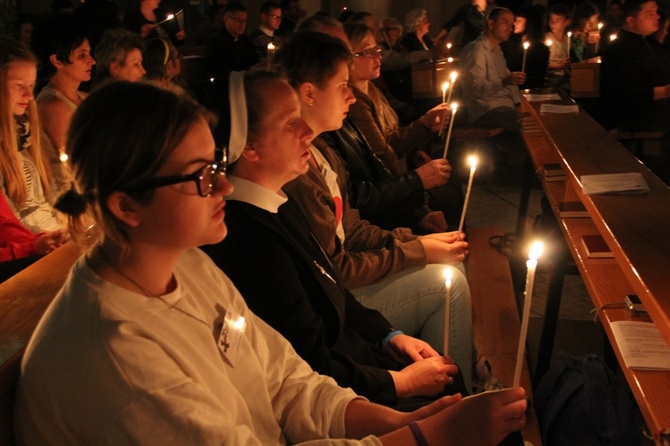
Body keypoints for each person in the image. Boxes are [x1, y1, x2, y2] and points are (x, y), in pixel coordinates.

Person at [13, 80, 528, 446]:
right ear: (126, 206)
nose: (221, 184)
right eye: (199, 176)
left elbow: (283, 379)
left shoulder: (187, 265)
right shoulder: (115, 355)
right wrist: (420, 436)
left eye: (215, 164)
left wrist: (388, 422)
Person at [206, 68, 469, 410]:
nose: (306, 132)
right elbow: (307, 363)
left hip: (354, 357)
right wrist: (399, 383)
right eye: (290, 123)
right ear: (249, 146)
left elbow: (328, 282)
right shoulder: (252, 242)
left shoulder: (277, 201)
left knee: (452, 380)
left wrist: (390, 336)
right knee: (457, 403)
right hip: (337, 393)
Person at [343, 23, 464, 234]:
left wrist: (416, 147)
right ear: (348, 59)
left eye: (377, 49)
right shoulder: (354, 102)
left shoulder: (371, 88)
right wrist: (423, 127)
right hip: (390, 190)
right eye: (367, 51)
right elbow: (382, 155)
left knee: (452, 183)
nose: (377, 56)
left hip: (399, 180)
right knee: (450, 194)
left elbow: (390, 135)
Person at [0, 37, 61, 234]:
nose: (28, 95)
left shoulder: (24, 130)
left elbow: (49, 194)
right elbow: (10, 225)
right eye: (19, 85)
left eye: (31, 85)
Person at [459, 7, 528, 180]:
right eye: (505, 22)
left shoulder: (497, 50)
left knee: (531, 117)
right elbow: (477, 90)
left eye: (512, 24)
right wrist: (505, 81)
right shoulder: (476, 50)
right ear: (490, 23)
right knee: (520, 123)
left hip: (502, 107)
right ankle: (519, 167)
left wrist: (519, 102)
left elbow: (508, 82)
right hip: (484, 110)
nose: (510, 27)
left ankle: (517, 164)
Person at [33, 16, 95, 193]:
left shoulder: (83, 97)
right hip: (73, 200)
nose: (92, 60)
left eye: (89, 53)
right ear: (57, 60)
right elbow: (78, 164)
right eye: (82, 55)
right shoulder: (53, 106)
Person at [601, 0, 670, 133]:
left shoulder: (650, 43)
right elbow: (622, 94)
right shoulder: (619, 49)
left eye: (656, 12)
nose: (657, 17)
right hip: (640, 124)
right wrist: (664, 91)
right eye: (650, 14)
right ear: (631, 21)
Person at [203, 1, 258, 80]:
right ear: (226, 19)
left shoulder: (246, 41)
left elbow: (254, 62)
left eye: (244, 21)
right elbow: (218, 72)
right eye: (238, 20)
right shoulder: (216, 43)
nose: (242, 24)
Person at [501, 5, 549, 89]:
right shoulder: (507, 44)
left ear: (530, 23)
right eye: (515, 20)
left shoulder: (541, 50)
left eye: (519, 20)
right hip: (507, 88)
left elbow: (539, 78)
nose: (515, 23)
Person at [545, 3, 572, 92]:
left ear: (566, 22)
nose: (553, 23)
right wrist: (557, 65)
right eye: (551, 19)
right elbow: (540, 64)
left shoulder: (567, 40)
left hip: (563, 77)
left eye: (558, 20)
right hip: (550, 79)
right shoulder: (546, 38)